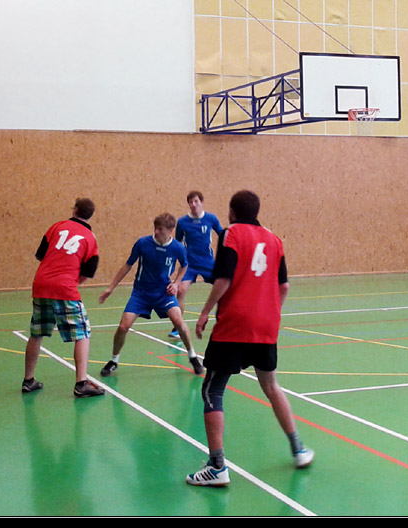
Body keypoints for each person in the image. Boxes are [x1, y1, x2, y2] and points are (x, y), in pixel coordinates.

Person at [186, 190, 313, 487]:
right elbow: (284, 287)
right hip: (266, 326)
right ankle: (298, 448)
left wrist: (204, 312)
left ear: (232, 211)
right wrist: (270, 312)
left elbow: (224, 279)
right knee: (271, 386)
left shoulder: (230, 234)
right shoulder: (274, 240)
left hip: (235, 324)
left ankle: (217, 467)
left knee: (212, 391)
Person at [98, 213, 203, 375]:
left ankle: (192, 356)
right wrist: (110, 288)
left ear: (170, 230)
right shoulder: (143, 243)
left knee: (179, 321)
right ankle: (114, 360)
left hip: (163, 292)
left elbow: (184, 266)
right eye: (155, 228)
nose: (156, 232)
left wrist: (176, 283)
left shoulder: (177, 248)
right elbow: (127, 265)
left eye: (160, 229)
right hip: (141, 293)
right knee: (123, 326)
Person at [23, 198, 103, 398]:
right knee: (82, 333)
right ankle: (81, 383)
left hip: (41, 284)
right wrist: (70, 282)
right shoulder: (90, 238)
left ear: (74, 210)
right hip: (65, 287)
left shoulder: (56, 227)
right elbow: (87, 272)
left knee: (37, 332)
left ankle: (28, 380)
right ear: (90, 215)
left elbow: (41, 255)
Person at [168, 191, 223, 339]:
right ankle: (177, 327)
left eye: (196, 201)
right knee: (180, 290)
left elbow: (223, 235)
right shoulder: (182, 222)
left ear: (201, 202)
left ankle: (224, 322)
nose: (193, 205)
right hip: (190, 265)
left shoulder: (211, 218)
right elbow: (177, 243)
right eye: (191, 202)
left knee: (224, 288)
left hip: (208, 263)